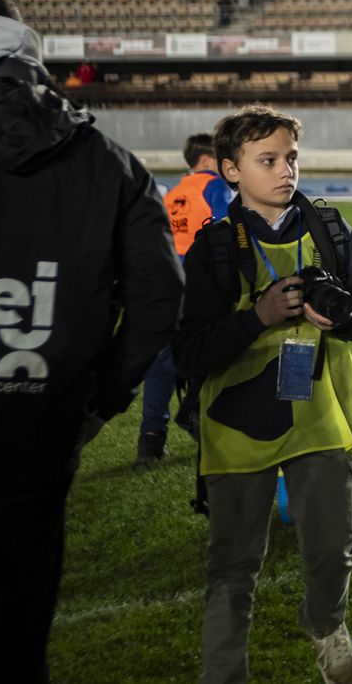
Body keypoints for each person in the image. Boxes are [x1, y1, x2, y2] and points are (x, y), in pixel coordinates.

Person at [0, 0, 184, 683]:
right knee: (16, 633)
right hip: (38, 424)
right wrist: (100, 400)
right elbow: (159, 298)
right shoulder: (108, 162)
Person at [172, 106, 352, 684]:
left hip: (318, 413)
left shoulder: (331, 232)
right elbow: (187, 353)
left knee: (333, 546)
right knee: (233, 564)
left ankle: (325, 622)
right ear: (231, 170)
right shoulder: (214, 248)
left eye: (291, 157)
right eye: (267, 160)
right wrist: (257, 317)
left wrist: (342, 317)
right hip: (235, 423)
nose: (285, 170)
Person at [137, 133, 235, 465]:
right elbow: (227, 233)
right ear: (207, 160)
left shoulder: (173, 192)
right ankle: (195, 414)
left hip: (163, 282)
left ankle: (151, 438)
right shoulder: (216, 187)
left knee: (161, 361)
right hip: (198, 282)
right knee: (208, 351)